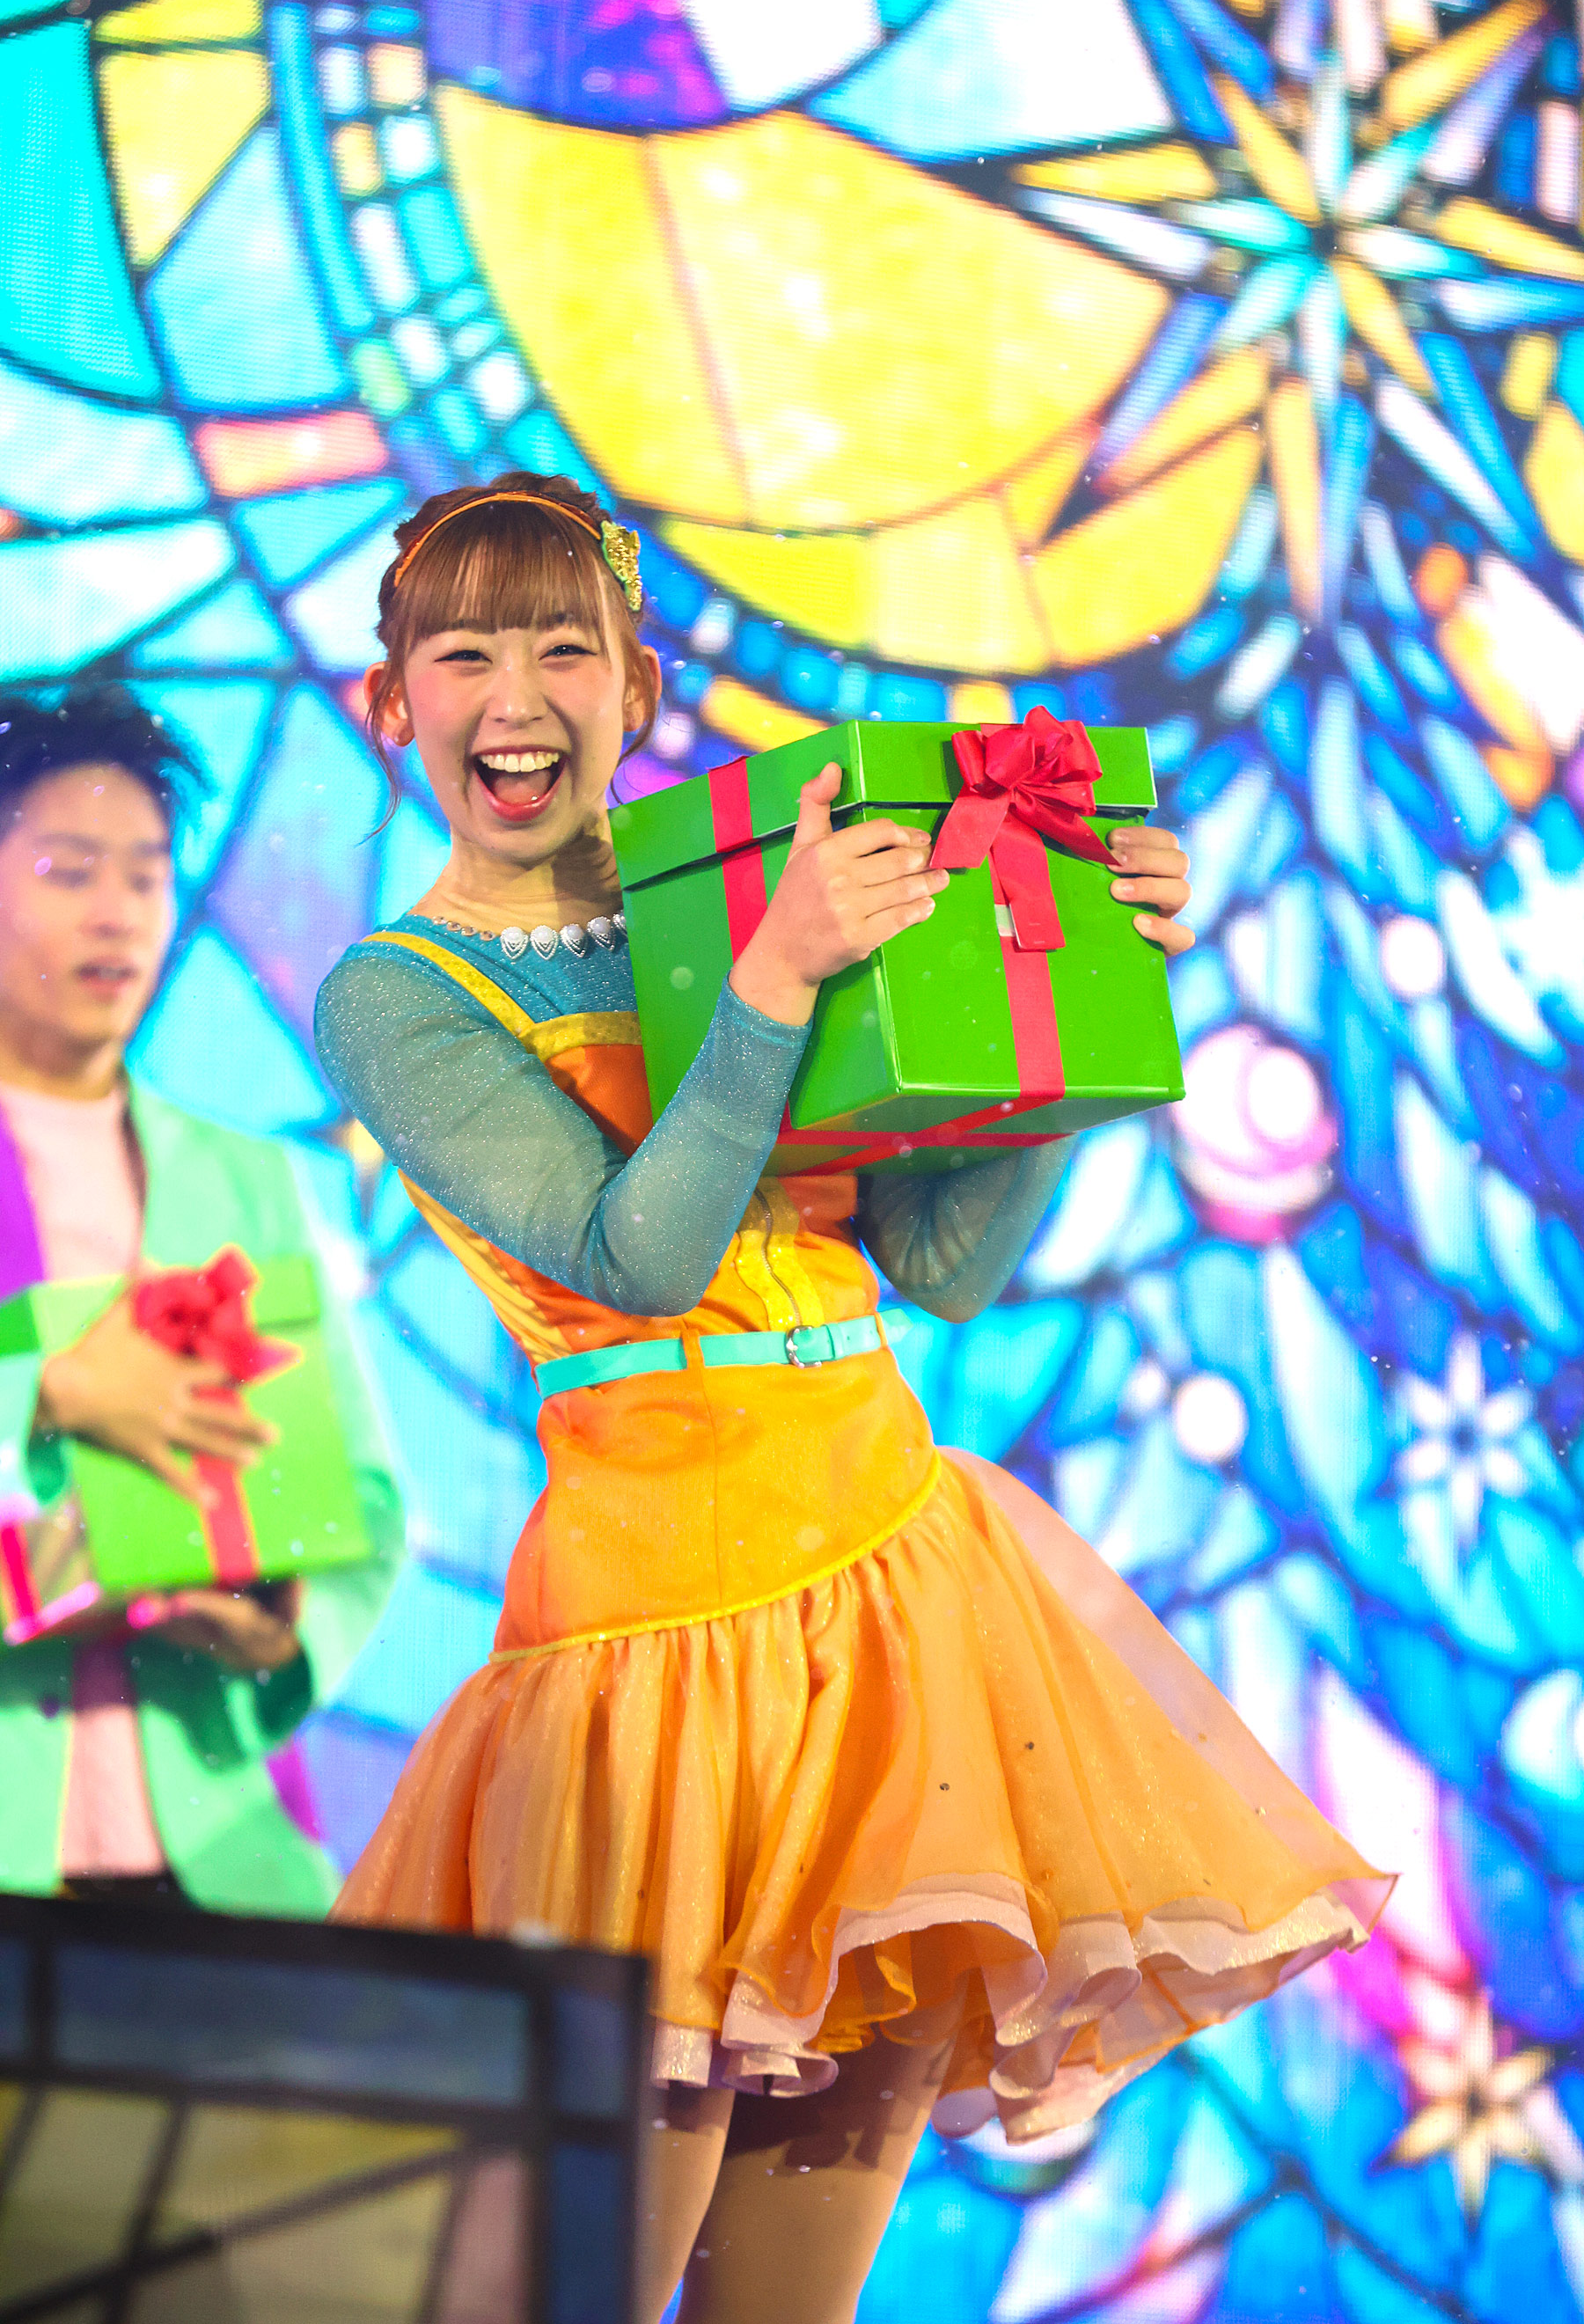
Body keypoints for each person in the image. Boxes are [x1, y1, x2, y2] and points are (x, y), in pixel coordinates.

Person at [315, 473, 1389, 2324]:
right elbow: (639, 1257)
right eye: (465, 653)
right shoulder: (395, 995)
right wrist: (777, 981)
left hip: (897, 1627)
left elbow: (941, 1264)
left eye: (564, 647)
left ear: (637, 690)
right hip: (652, 1665)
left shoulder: (729, 902)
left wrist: (1090, 984)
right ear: (390, 702)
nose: (518, 696)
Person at [0, 685, 403, 1915]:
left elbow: (365, 1500)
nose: (117, 912)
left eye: (145, 875)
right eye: (69, 871)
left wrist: (279, 1622)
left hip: (215, 1851)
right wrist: (50, 1387)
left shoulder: (248, 1181)